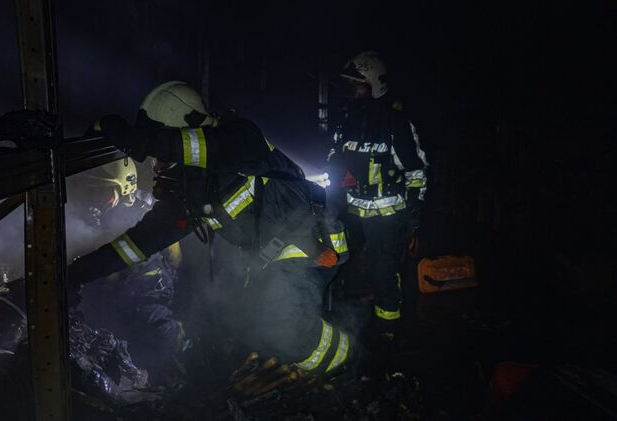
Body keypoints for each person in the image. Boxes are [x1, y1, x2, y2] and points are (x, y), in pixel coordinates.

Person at [68, 80, 353, 378]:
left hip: (315, 243)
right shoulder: (193, 193)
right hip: (274, 255)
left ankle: (344, 367)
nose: (159, 165)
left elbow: (205, 147)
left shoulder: (240, 140)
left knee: (278, 318)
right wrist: (78, 273)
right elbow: (137, 245)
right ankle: (303, 373)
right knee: (249, 322)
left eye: (163, 155)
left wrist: (138, 139)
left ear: (188, 128)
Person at [327, 51, 428, 343]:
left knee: (385, 273)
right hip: (350, 212)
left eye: (354, 85)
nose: (348, 92)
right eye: (347, 85)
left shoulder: (394, 123)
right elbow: (333, 155)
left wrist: (413, 219)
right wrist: (336, 173)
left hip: (387, 217)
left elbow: (417, 172)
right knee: (343, 265)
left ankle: (388, 333)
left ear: (374, 85)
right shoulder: (347, 121)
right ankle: (349, 319)